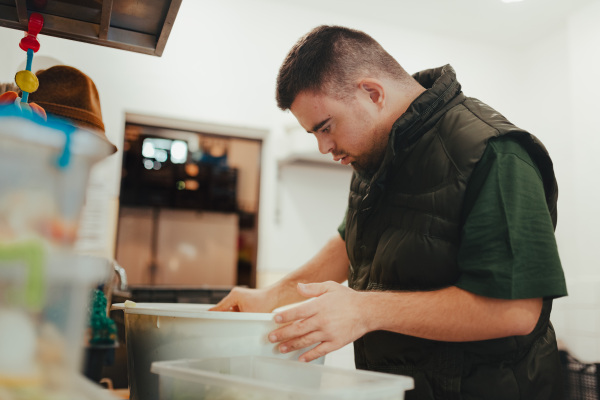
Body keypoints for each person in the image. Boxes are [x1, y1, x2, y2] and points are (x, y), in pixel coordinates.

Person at [211, 25, 567, 400]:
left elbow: (515, 311)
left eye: (326, 127)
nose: (323, 147)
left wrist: (364, 310)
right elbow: (353, 242)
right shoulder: (375, 156)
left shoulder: (494, 153)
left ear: (372, 93)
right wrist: (272, 296)